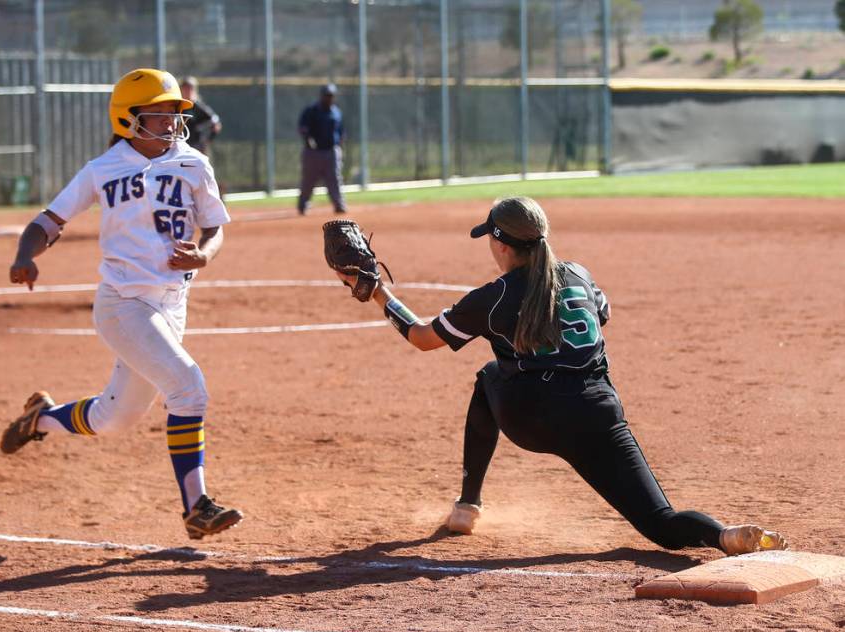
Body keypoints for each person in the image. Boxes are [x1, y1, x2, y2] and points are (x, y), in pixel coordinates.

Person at [336, 196, 788, 556]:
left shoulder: (492, 297)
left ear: (502, 245)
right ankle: (722, 535)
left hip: (532, 419)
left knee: (489, 376)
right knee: (662, 524)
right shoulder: (579, 275)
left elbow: (421, 337)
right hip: (598, 414)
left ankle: (467, 506)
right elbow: (600, 316)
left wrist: (379, 293)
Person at [2, 68, 243, 541]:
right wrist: (23, 255)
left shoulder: (194, 163)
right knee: (188, 388)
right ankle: (197, 507)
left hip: (172, 305)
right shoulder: (103, 168)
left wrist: (204, 254)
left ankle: (42, 419)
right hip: (123, 305)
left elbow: (215, 227)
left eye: (175, 112)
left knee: (114, 419)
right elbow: (50, 219)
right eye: (159, 114)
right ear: (128, 119)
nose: (172, 121)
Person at [297, 83, 346, 216]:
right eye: (326, 95)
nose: (329, 98)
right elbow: (303, 128)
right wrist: (308, 140)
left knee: (335, 179)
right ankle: (303, 204)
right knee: (308, 180)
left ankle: (339, 205)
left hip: (331, 151)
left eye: (331, 96)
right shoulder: (311, 110)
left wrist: (340, 145)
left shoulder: (336, 112)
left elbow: (341, 131)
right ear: (321, 96)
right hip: (313, 153)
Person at [179, 76, 222, 157]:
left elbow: (216, 123)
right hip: (180, 146)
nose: (187, 92)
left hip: (196, 146)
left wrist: (207, 140)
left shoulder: (198, 107)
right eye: (185, 89)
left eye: (190, 89)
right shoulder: (177, 106)